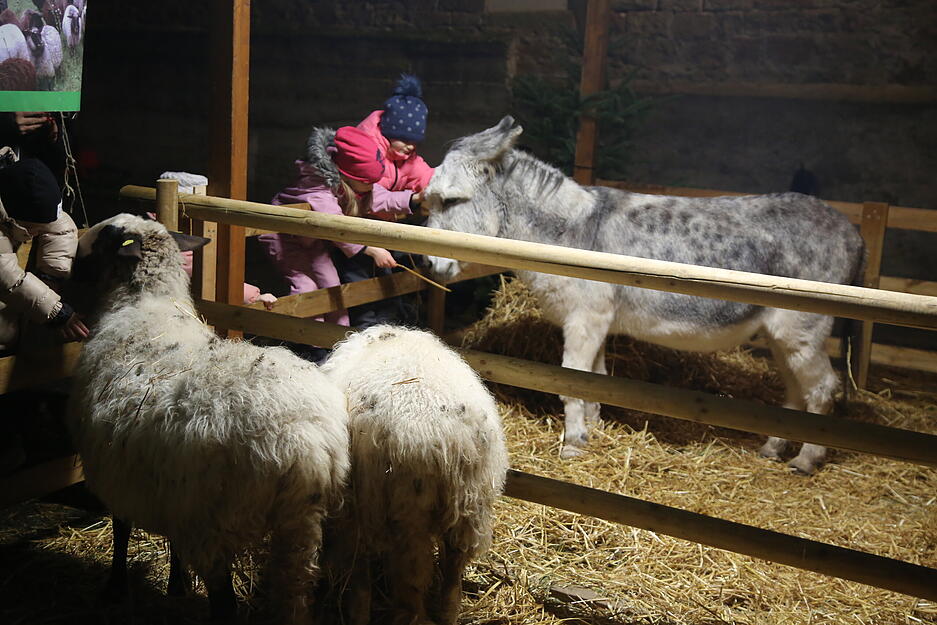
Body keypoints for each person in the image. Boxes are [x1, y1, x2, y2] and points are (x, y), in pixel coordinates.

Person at [258, 126, 419, 327]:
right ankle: (308, 338)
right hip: (284, 238)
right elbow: (335, 224)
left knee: (333, 286)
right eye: (369, 182)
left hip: (312, 240)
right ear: (349, 176)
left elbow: (377, 196)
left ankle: (337, 335)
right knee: (306, 286)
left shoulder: (354, 184)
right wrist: (370, 249)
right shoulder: (317, 189)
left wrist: (413, 199)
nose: (372, 186)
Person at [356, 74, 434, 193]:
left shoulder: (408, 158)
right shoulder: (368, 155)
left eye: (415, 141)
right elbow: (370, 195)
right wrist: (409, 200)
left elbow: (423, 175)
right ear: (388, 134)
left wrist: (437, 183)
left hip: (389, 203)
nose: (411, 146)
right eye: (405, 140)